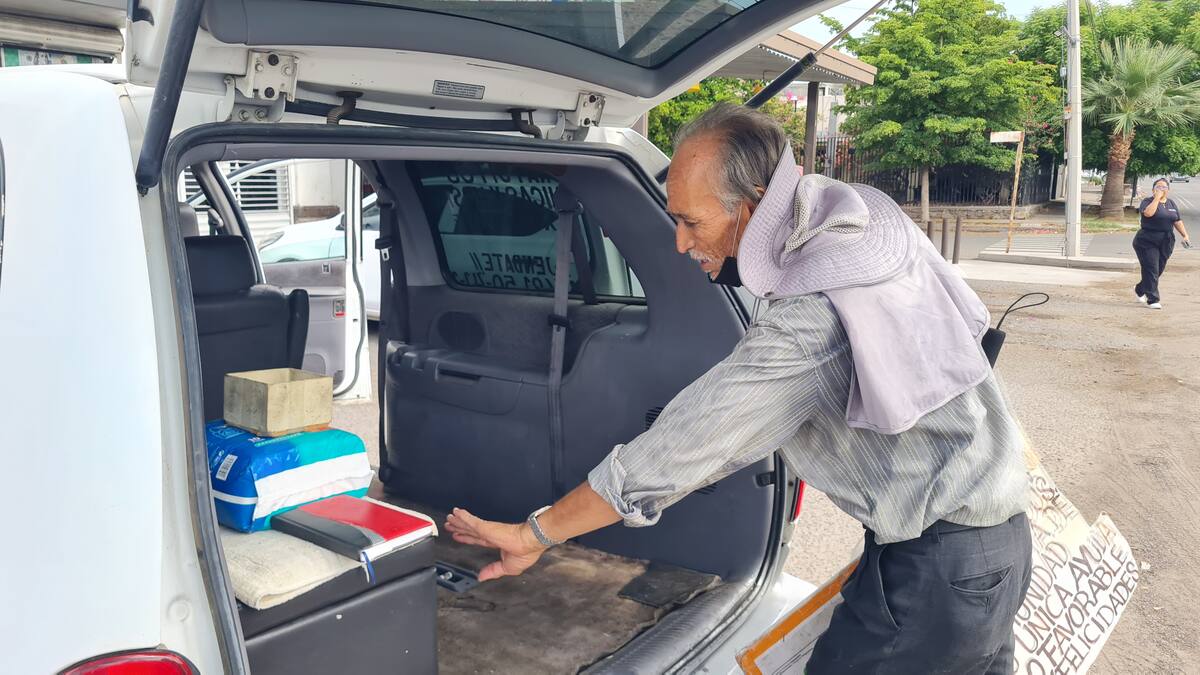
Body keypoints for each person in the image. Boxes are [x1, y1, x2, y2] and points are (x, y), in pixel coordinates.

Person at [444, 103, 1032, 673]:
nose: (679, 242)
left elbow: (675, 452)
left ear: (751, 211)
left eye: (691, 222)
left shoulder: (815, 316)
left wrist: (534, 533)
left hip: (940, 568)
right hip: (993, 547)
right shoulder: (855, 221)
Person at [1134, 177, 1191, 309]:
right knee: (1152, 268)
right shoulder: (1147, 201)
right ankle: (1153, 299)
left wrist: (1185, 235)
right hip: (1147, 240)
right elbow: (1148, 213)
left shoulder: (1171, 203)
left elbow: (1177, 220)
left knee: (1158, 269)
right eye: (1158, 187)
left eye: (1164, 187)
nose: (1161, 189)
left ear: (1168, 190)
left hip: (1166, 240)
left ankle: (1140, 289)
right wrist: (1156, 199)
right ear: (1153, 189)